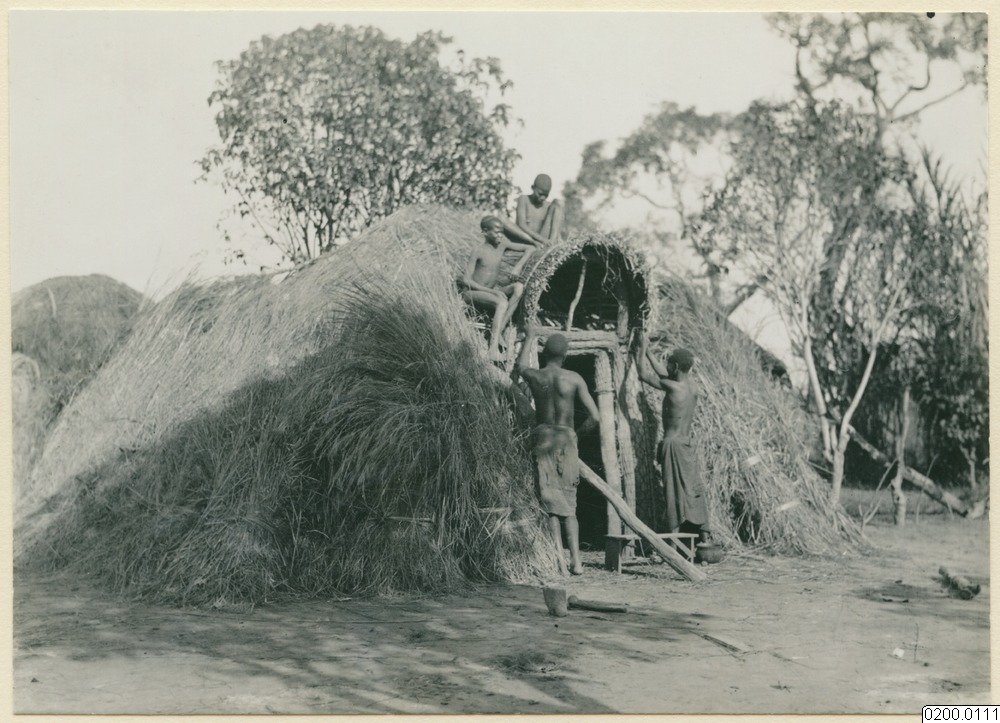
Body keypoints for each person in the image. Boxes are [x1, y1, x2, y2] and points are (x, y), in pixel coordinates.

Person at [516, 329, 601, 575]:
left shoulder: (537, 376)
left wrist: (530, 336)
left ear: (544, 354)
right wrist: (576, 434)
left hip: (544, 437)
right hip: (566, 438)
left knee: (550, 501)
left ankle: (559, 561)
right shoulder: (574, 378)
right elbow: (595, 417)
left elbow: (521, 367)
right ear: (565, 355)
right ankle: (577, 561)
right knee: (569, 504)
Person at [638, 335, 713, 547]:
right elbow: (665, 374)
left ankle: (673, 544)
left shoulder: (673, 387)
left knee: (672, 491)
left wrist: (641, 350)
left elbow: (643, 374)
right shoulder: (692, 387)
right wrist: (650, 353)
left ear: (677, 367)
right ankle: (705, 537)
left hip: (672, 445)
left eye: (669, 363)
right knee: (693, 489)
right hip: (687, 445)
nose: (667, 367)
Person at [459, 216, 537, 361]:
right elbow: (466, 280)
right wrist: (492, 291)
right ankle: (492, 350)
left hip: (492, 292)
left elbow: (531, 248)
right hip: (472, 293)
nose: (500, 235)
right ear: (485, 232)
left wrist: (518, 267)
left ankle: (500, 329)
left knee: (518, 287)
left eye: (501, 232)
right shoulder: (478, 251)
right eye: (496, 232)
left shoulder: (502, 245)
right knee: (502, 303)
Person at [514, 173, 564, 244]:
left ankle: (552, 243)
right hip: (527, 239)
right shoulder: (524, 199)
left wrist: (557, 238)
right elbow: (521, 225)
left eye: (546, 195)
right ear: (533, 187)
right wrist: (541, 239)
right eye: (540, 194)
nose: (543, 198)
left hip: (545, 240)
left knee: (558, 203)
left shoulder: (549, 206)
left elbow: (556, 226)